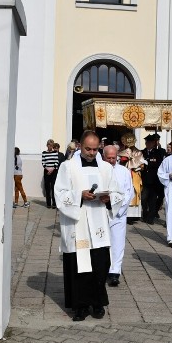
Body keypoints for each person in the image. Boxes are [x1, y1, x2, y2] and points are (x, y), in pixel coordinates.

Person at [54, 131, 123, 321]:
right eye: (88, 149)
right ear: (80, 146)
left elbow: (118, 193)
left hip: (99, 223)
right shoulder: (68, 167)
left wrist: (109, 199)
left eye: (95, 149)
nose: (92, 153)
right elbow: (59, 193)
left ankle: (98, 303)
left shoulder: (106, 169)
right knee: (78, 267)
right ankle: (80, 306)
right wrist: (79, 195)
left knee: (100, 266)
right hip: (78, 223)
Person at [103, 145, 134, 287]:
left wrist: (119, 207)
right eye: (108, 158)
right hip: (102, 212)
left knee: (117, 243)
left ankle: (115, 271)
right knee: (102, 243)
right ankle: (103, 269)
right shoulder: (99, 170)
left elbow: (129, 192)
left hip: (119, 214)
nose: (111, 161)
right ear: (103, 156)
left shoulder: (124, 172)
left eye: (113, 158)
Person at [140, 133, 166, 224]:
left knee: (152, 200)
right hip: (145, 180)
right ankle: (145, 214)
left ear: (153, 143)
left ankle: (150, 218)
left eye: (150, 142)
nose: (148, 144)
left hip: (154, 180)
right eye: (147, 142)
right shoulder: (142, 152)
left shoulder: (158, 152)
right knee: (143, 199)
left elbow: (159, 164)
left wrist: (148, 163)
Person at [41, 139, 60, 208]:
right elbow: (43, 162)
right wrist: (47, 169)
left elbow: (56, 162)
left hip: (53, 171)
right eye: (49, 145)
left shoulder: (55, 152)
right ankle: (48, 203)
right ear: (47, 145)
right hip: (46, 171)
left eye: (51, 145)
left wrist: (52, 169)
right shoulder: (44, 153)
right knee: (47, 188)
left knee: (53, 187)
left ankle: (54, 203)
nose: (50, 146)